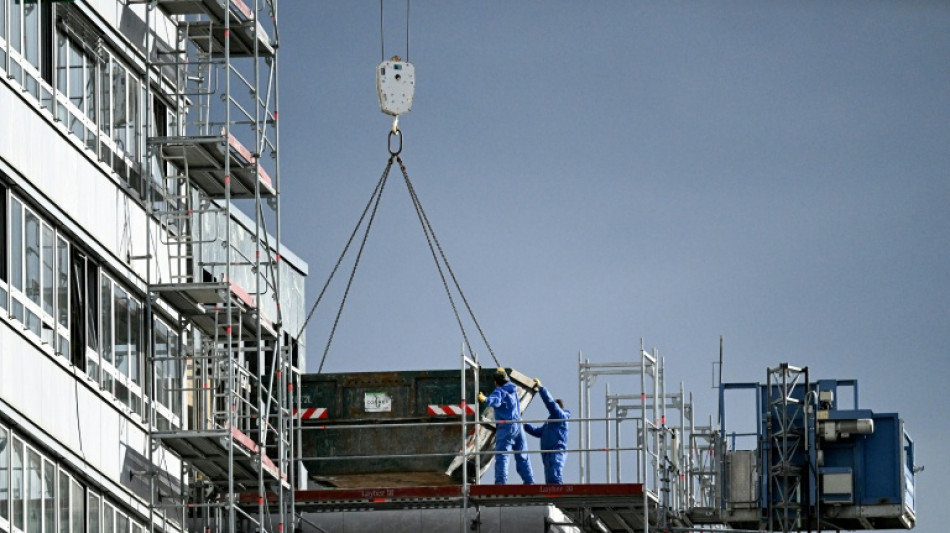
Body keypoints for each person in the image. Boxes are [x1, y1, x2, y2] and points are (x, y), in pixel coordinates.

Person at [477, 368, 535, 485]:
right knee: (522, 455)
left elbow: (495, 401)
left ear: (495, 382)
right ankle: (529, 481)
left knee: (502, 455)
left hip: (506, 427)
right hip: (518, 426)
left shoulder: (500, 391)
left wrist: (485, 399)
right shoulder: (513, 390)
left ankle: (501, 482)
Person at [524, 379, 571, 484]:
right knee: (550, 480)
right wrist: (524, 425)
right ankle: (554, 494)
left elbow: (549, 403)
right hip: (547, 454)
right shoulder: (549, 423)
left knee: (555, 476)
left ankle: (560, 493)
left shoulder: (560, 416)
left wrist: (541, 388)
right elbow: (538, 432)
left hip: (556, 451)